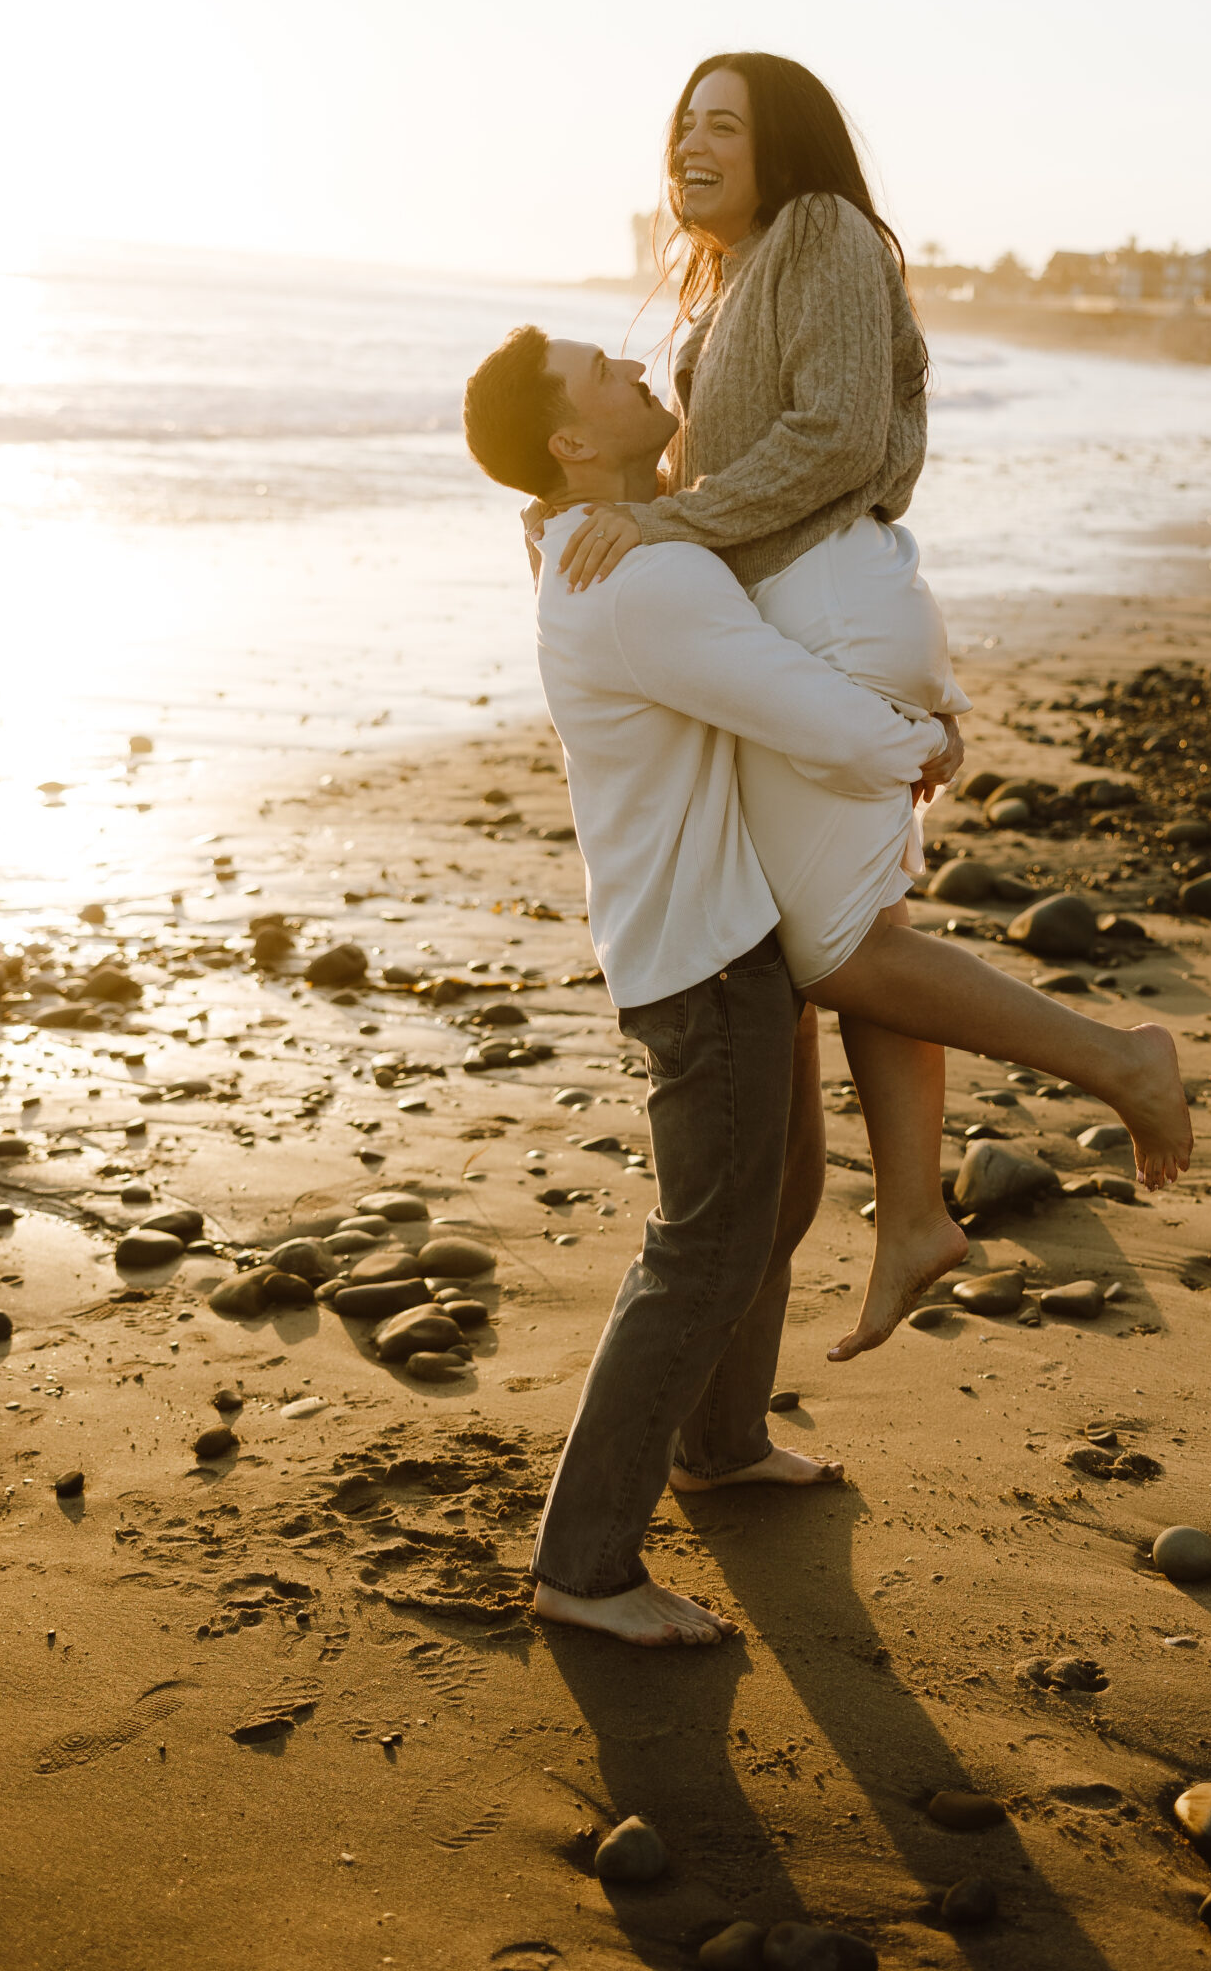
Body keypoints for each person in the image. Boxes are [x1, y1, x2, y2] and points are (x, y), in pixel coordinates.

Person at [554, 53, 1189, 1357]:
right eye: (683, 122)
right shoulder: (731, 279)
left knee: (833, 952)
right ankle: (912, 1214)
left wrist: (661, 518)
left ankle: (1123, 1063)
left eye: (723, 124)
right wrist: (585, 515)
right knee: (858, 931)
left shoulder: (824, 233)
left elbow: (835, 440)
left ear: (782, 148)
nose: (692, 142)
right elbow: (725, 460)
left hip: (834, 602)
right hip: (820, 605)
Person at [462, 325, 957, 1648]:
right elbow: (801, 706)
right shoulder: (637, 578)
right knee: (705, 1245)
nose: (635, 369)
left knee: (777, 1196)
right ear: (573, 441)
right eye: (602, 372)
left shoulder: (613, 544)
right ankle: (584, 1561)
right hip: (703, 956)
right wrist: (930, 737)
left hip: (713, 929)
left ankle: (723, 1443)